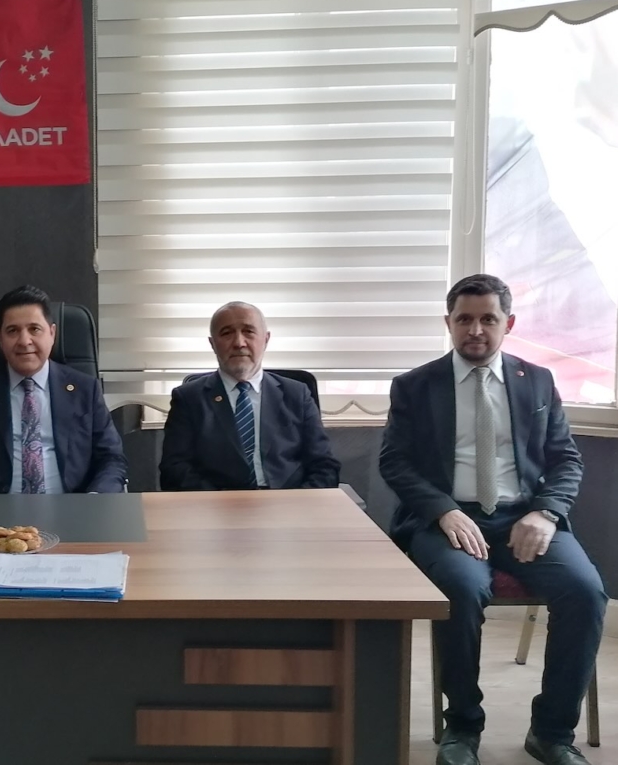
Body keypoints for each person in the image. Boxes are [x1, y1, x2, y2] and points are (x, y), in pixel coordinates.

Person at [380, 274, 606, 765]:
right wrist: (443, 511)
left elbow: (565, 459)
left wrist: (546, 511)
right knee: (461, 590)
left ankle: (552, 733)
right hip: (449, 520)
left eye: (488, 318)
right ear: (448, 323)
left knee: (586, 592)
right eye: (464, 319)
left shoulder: (537, 381)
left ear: (510, 323)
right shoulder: (415, 386)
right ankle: (462, 727)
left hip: (525, 517)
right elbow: (395, 462)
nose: (476, 330)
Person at [0, 285, 127, 494]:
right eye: (12, 331)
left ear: (52, 333)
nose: (24, 341)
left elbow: (112, 458)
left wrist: (94, 499)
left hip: (72, 508)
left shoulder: (85, 389)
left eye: (34, 329)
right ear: (0, 338)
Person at [159, 301, 339, 491]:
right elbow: (174, 470)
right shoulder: (189, 399)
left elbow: (324, 466)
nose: (239, 343)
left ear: (266, 339)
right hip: (217, 503)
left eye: (248, 331)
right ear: (213, 344)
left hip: (289, 500)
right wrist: (219, 501)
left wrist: (297, 501)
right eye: (226, 333)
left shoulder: (297, 394)